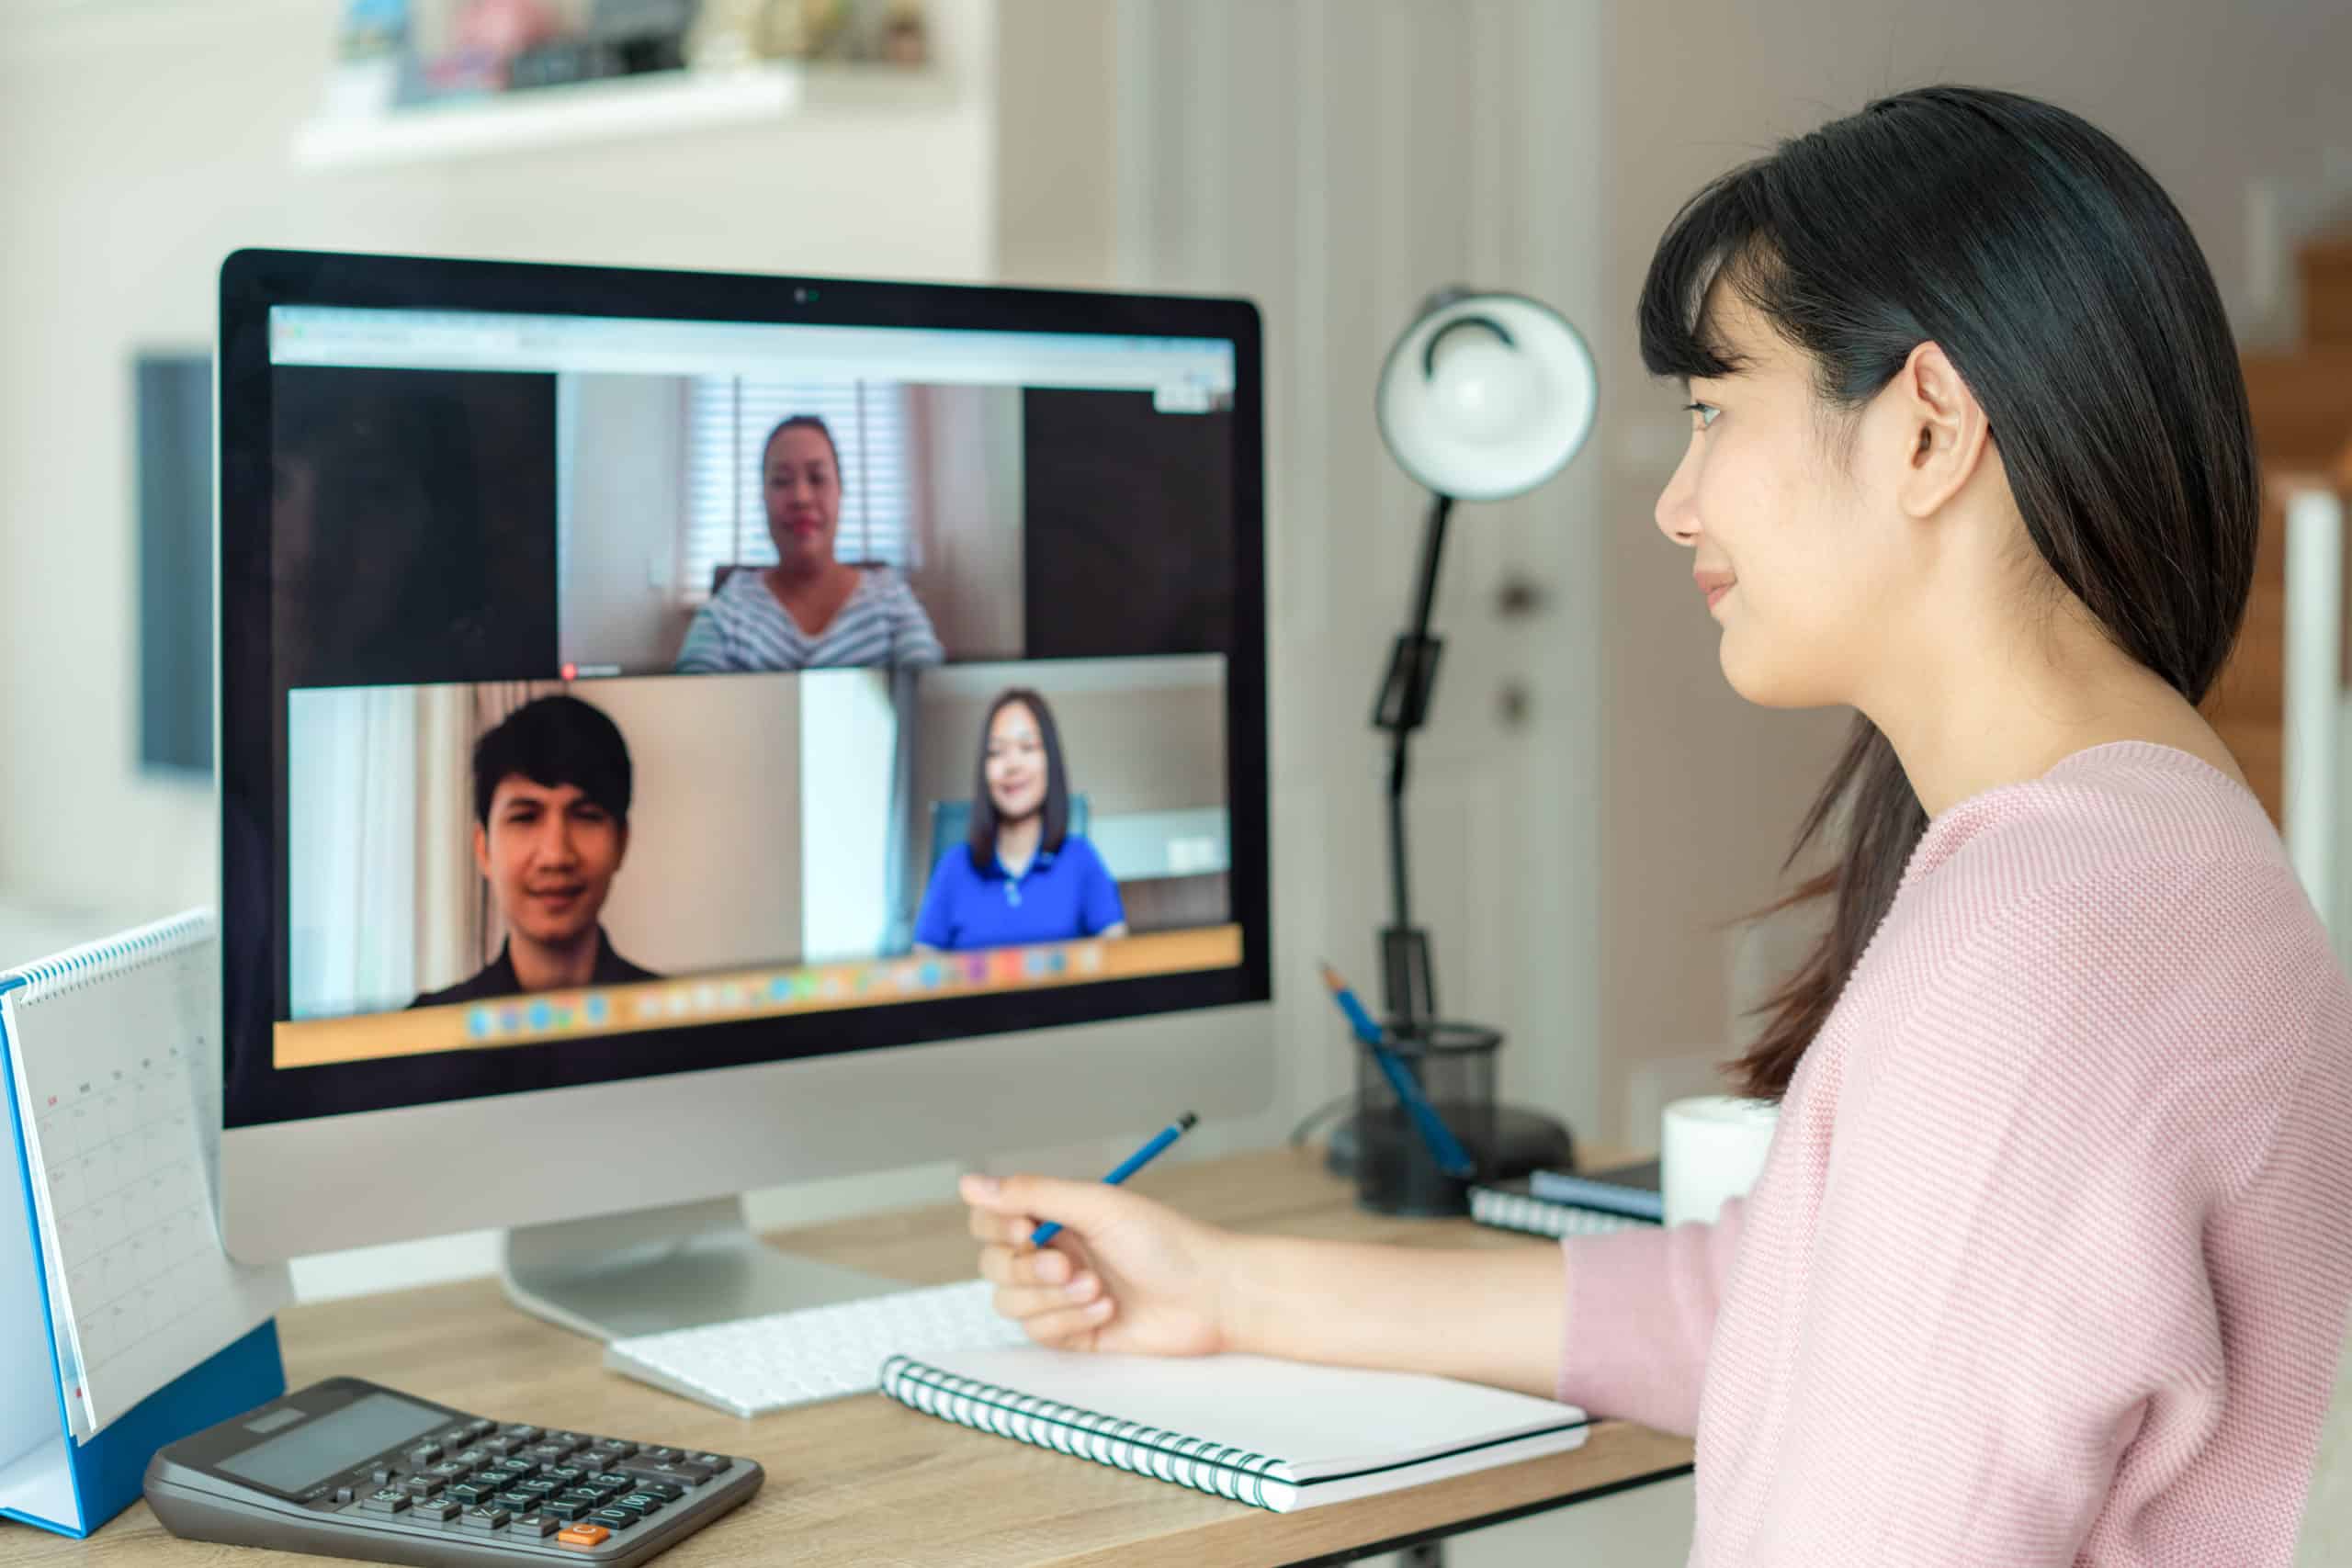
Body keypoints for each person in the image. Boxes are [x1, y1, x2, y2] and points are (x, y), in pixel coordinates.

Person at [957, 86, 2352, 1565]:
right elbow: (1767, 1303)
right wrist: (1228, 1288)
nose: (1677, 503)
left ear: (1929, 427)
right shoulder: (2167, 850)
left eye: (1712, 414)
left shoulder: (2039, 948)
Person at [412, 694, 659, 1007]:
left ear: (621, 842)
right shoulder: (428, 1032)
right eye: (525, 817)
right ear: (483, 848)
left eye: (585, 816)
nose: (555, 856)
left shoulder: (681, 1026)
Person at [673, 414, 944, 672]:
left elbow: (933, 697)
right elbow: (691, 702)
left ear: (840, 491)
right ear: (763, 497)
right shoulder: (729, 610)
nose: (801, 498)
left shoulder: (890, 599)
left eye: (817, 478)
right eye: (781, 481)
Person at [914, 688, 1127, 951]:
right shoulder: (953, 869)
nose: (1012, 764)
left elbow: (1118, 959)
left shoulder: (1082, 860)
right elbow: (921, 971)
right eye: (996, 752)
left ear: (1050, 762)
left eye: (1027, 747)